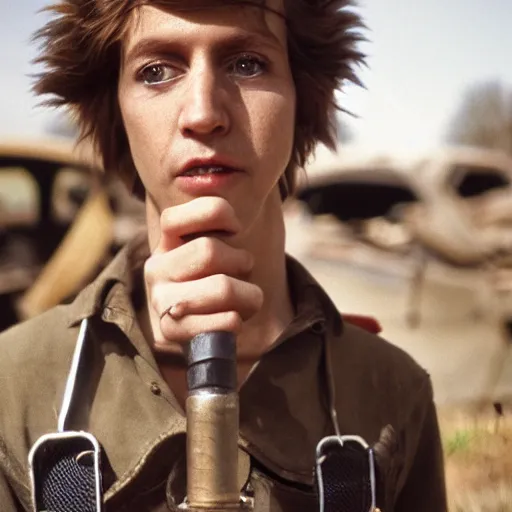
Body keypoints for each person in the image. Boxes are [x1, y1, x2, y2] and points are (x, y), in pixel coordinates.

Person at [0, 1, 447, 510]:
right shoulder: (14, 389)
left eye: (247, 63)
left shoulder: (388, 390)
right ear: (114, 107)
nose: (203, 114)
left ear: (302, 95)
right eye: (156, 71)